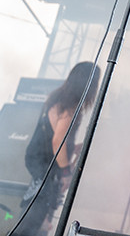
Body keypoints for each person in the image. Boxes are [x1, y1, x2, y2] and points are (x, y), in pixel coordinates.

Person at [17, 61, 99, 235]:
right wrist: (65, 172)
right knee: (36, 212)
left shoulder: (59, 99)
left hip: (39, 159)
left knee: (37, 207)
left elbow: (54, 135)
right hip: (45, 164)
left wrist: (73, 148)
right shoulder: (69, 108)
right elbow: (58, 141)